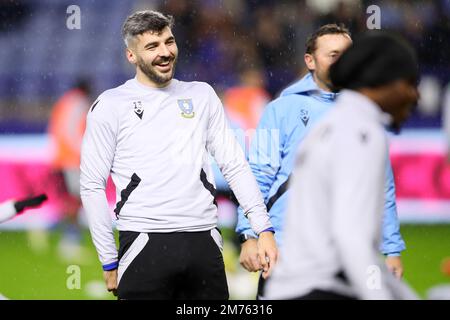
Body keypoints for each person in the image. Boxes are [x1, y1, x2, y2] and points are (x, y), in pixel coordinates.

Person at [80, 10, 277, 300]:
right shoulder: (111, 105)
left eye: (168, 42)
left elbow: (234, 165)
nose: (165, 52)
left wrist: (263, 229)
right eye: (152, 46)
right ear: (131, 56)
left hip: (204, 241)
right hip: (144, 242)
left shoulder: (201, 95)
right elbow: (92, 184)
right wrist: (109, 259)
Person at [236, 24, 406, 298]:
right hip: (286, 249)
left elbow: (382, 186)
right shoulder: (279, 110)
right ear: (310, 61)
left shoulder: (368, 114)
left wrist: (392, 249)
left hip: (350, 255)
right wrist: (250, 235)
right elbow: (257, 175)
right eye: (334, 55)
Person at [48, 79, 92, 261]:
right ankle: (70, 240)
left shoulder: (64, 102)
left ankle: (64, 234)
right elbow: (72, 130)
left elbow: (57, 129)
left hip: (62, 157)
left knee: (73, 199)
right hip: (73, 159)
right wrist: (83, 152)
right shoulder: (79, 103)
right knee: (76, 198)